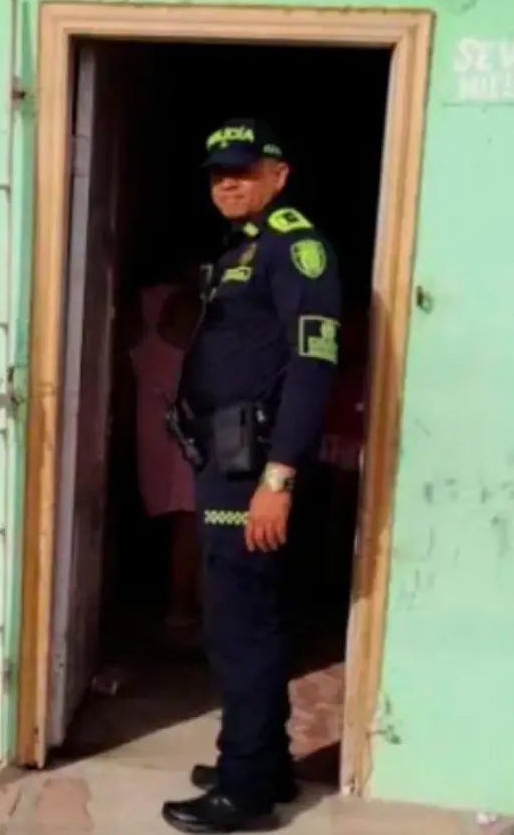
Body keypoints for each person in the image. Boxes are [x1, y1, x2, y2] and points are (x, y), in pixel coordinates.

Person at [161, 118, 341, 833]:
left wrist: (279, 477)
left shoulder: (296, 249)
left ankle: (245, 791)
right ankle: (264, 762)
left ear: (278, 174)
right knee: (241, 616)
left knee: (241, 626)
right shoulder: (243, 247)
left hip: (254, 465)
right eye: (217, 173)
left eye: (241, 170)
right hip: (225, 458)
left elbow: (313, 365)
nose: (227, 183)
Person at [128, 277, 202, 627]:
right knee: (189, 519)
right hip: (184, 428)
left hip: (149, 423)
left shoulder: (138, 306)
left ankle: (168, 601)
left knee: (170, 518)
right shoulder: (192, 303)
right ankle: (181, 607)